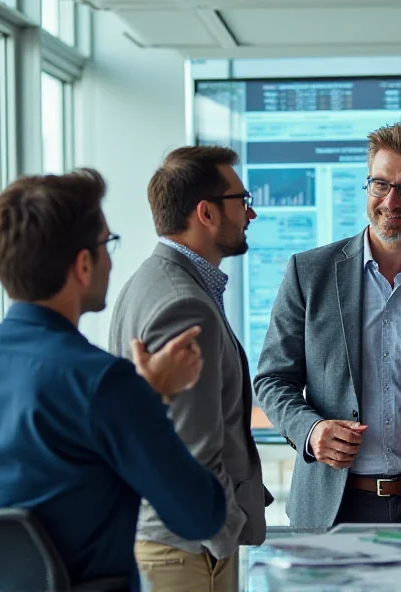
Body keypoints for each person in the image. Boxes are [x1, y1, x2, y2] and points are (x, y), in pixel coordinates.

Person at [0, 169, 226, 588]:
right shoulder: (103, 382)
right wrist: (149, 397)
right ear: (82, 264)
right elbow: (199, 514)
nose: (111, 260)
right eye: (107, 244)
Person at [254, 121, 401, 527]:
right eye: (380, 185)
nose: (390, 201)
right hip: (336, 505)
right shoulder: (309, 274)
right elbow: (272, 380)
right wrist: (312, 430)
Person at [109, 146, 270, 592]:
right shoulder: (184, 304)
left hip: (171, 540)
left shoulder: (150, 279)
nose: (250, 214)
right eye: (242, 201)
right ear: (206, 213)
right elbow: (195, 447)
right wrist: (224, 536)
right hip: (189, 549)